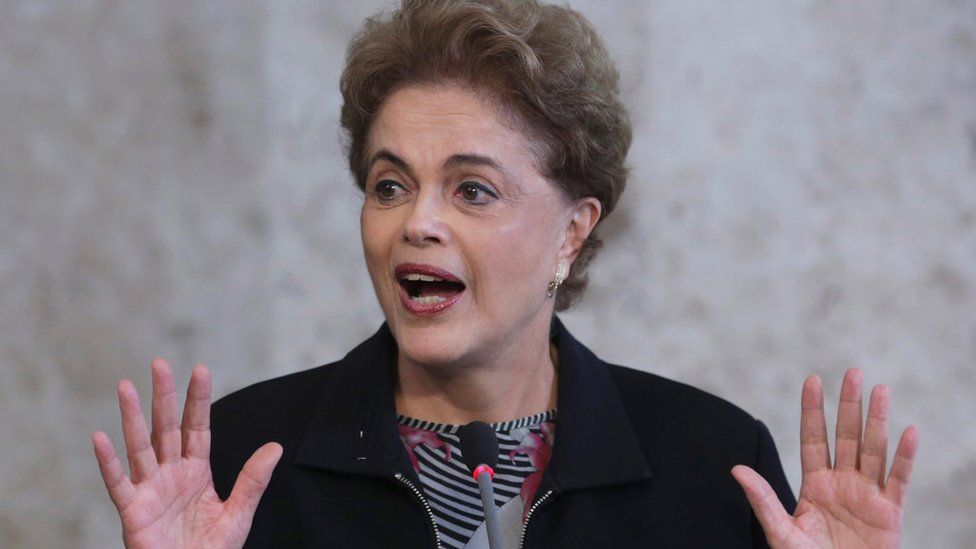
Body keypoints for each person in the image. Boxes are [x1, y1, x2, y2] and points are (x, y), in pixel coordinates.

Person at [91, 0, 919, 547]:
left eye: (473, 189)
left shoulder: (713, 463)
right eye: (390, 184)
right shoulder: (239, 460)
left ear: (572, 230)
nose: (418, 220)